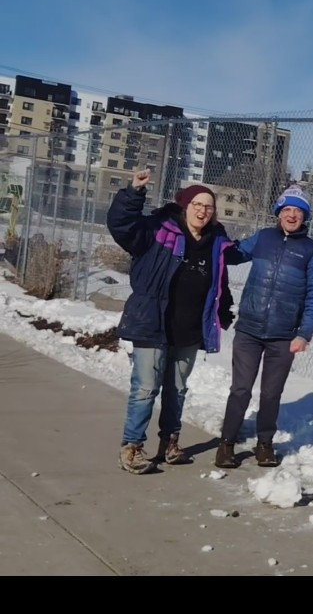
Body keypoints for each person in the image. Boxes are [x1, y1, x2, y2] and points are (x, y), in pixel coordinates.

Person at [107, 169, 235, 474]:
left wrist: (224, 308)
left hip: (189, 328)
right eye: (197, 205)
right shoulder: (158, 230)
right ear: (185, 206)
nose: (203, 211)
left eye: (208, 206)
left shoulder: (216, 241)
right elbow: (122, 226)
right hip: (153, 322)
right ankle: (132, 448)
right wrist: (134, 193)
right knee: (146, 388)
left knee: (177, 389)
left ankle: (170, 443)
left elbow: (219, 281)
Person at [215, 184, 313, 469]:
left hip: (284, 335)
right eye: (287, 209)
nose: (292, 215)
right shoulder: (264, 238)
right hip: (249, 330)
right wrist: (214, 234)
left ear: (305, 216)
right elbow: (232, 255)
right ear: (278, 212)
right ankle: (226, 443)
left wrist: (304, 333)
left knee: (271, 394)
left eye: (298, 211)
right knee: (240, 389)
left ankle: (265, 444)